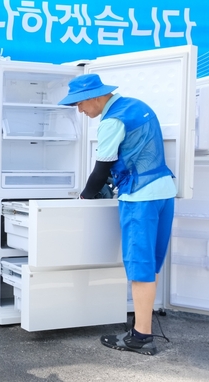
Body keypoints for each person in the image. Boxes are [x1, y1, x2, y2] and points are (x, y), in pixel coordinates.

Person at [58, 74, 176, 356]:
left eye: (80, 104)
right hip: (164, 192)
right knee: (151, 265)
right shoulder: (138, 106)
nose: (79, 110)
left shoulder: (112, 121)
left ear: (96, 97)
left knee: (139, 267)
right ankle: (142, 324)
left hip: (140, 198)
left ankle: (141, 337)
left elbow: (101, 169)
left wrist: (84, 198)